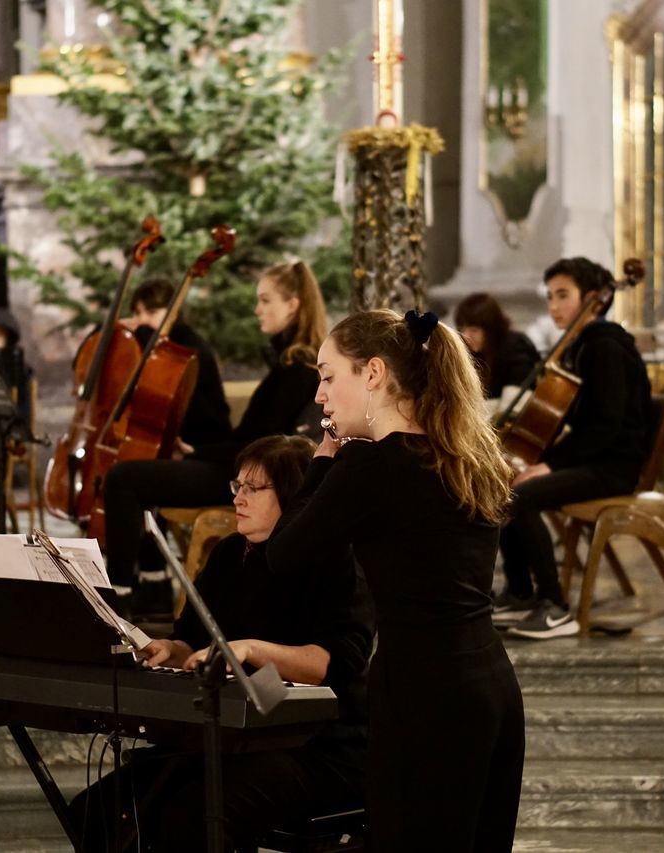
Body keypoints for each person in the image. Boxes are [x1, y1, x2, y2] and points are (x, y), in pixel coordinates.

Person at [267, 308, 524, 851]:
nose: (319, 395)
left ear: (374, 373)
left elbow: (283, 556)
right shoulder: (463, 453)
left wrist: (323, 459)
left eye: (328, 376)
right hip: (491, 687)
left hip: (424, 695)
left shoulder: (371, 466)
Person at [68, 435, 372, 851]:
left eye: (253, 488)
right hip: (236, 737)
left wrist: (250, 649)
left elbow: (331, 663)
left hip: (318, 746)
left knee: (192, 818)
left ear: (293, 496)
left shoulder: (335, 559)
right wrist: (169, 649)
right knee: (98, 808)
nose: (238, 498)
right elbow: (190, 640)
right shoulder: (231, 553)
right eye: (238, 485)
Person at [102, 259, 329, 617]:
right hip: (242, 468)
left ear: (292, 304)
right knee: (139, 473)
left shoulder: (295, 368)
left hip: (249, 479)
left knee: (123, 478)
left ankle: (119, 594)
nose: (257, 309)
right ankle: (155, 585)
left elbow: (259, 446)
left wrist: (196, 453)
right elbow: (252, 438)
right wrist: (196, 450)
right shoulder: (291, 364)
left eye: (265, 300)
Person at [494, 257, 653, 639]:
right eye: (550, 296)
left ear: (594, 299)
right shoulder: (583, 346)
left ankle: (555, 607)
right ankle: (520, 593)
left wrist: (550, 466)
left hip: (612, 468)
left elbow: (604, 426)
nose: (554, 306)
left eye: (563, 295)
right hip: (594, 459)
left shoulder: (605, 347)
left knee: (518, 497)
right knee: (502, 486)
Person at [117, 276, 232, 448]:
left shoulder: (188, 350)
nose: (142, 320)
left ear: (174, 312)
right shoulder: (151, 341)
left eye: (152, 312)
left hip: (201, 446)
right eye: (138, 313)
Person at [453, 292, 540, 399]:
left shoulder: (516, 349)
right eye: (462, 330)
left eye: (474, 330)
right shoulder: (472, 355)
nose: (466, 336)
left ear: (491, 330)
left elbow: (516, 404)